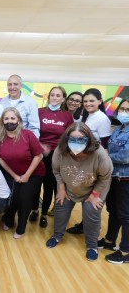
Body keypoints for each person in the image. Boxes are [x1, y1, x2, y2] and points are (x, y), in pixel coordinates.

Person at [46, 122, 113, 261]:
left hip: (95, 188)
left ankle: (92, 246)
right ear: (66, 139)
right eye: (72, 138)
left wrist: (95, 195)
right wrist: (62, 189)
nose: (76, 142)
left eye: (81, 139)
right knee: (61, 208)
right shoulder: (60, 150)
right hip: (69, 186)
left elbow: (105, 177)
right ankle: (57, 236)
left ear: (88, 139)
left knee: (92, 213)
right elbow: (56, 171)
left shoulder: (99, 153)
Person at [0, 107, 45, 239]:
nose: (10, 121)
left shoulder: (28, 135)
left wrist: (26, 176)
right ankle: (9, 220)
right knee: (11, 198)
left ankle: (21, 227)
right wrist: (15, 176)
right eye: (6, 118)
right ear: (3, 121)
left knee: (24, 198)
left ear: (19, 120)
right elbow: (0, 158)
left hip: (34, 173)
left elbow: (39, 156)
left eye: (12, 118)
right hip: (13, 173)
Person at [66, 88, 112, 235]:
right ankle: (83, 225)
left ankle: (92, 232)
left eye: (91, 101)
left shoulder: (102, 118)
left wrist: (99, 166)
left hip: (95, 164)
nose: (88, 104)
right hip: (84, 162)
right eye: (85, 101)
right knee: (86, 195)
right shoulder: (86, 116)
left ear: (100, 101)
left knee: (93, 199)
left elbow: (105, 145)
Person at [29, 86, 73, 228]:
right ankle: (35, 209)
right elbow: (33, 130)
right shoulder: (40, 112)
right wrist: (39, 146)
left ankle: (44, 214)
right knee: (35, 183)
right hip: (39, 152)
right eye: (52, 95)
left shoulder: (67, 116)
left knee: (49, 185)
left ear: (63, 98)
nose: (54, 98)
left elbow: (69, 136)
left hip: (56, 155)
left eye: (58, 95)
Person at [98, 98, 129, 264]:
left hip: (126, 179)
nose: (124, 112)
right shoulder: (118, 129)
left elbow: (125, 156)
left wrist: (106, 156)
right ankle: (110, 241)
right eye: (122, 109)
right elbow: (108, 148)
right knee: (114, 211)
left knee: (126, 215)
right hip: (114, 177)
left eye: (127, 110)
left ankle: (125, 251)